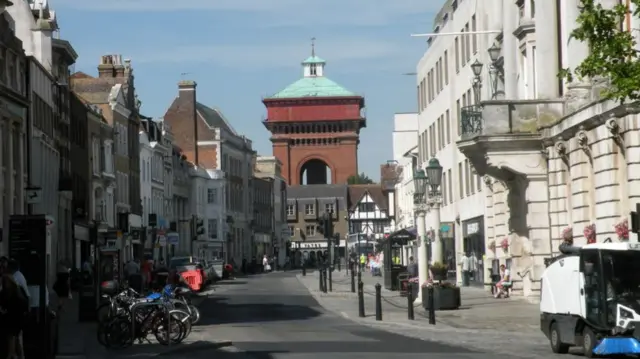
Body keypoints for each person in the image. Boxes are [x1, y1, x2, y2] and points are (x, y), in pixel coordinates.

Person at [0, 274, 29, 359]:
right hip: (18, 317)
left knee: (12, 336)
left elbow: (3, 303)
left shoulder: (6, 292)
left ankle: (12, 354)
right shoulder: (18, 289)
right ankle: (18, 354)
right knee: (17, 337)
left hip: (11, 317)